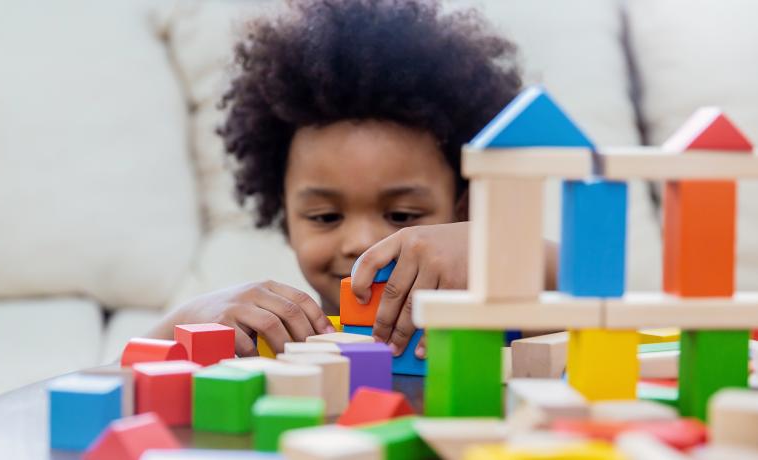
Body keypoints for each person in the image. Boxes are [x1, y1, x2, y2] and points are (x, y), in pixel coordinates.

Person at [149, 0, 556, 358]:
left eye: (401, 214)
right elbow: (105, 384)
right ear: (285, 216)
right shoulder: (268, 335)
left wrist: (501, 251)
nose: (362, 243)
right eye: (325, 216)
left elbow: (601, 296)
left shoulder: (501, 315)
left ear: (461, 210)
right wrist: (182, 323)